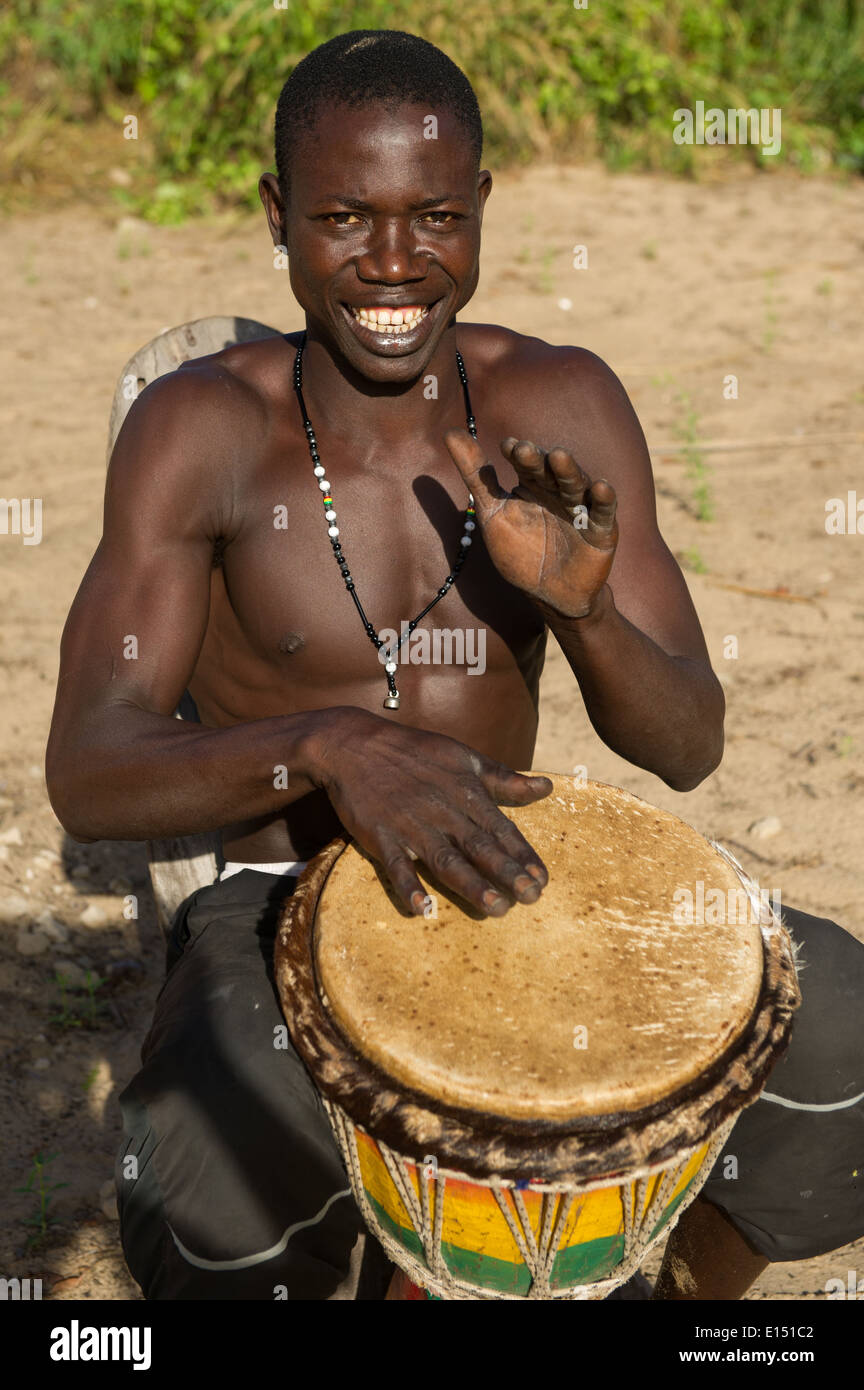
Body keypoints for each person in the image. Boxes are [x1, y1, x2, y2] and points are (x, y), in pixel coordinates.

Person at [46, 29, 863, 1300]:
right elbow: (90, 765)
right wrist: (325, 744)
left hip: (512, 874)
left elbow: (690, 746)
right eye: (342, 218)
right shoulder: (201, 426)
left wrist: (585, 614)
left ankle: (686, 1300)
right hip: (278, 901)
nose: (392, 263)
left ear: (480, 209)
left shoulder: (562, 401)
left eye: (433, 215)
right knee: (208, 1179)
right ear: (278, 215)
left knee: (843, 1030)